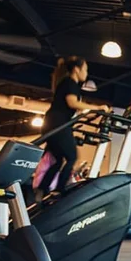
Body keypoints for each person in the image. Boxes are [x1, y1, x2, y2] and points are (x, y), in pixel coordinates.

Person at [35, 57, 109, 202]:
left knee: (58, 160)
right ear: (77, 69)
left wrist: (86, 112)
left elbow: (72, 106)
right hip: (58, 124)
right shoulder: (70, 82)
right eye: (85, 70)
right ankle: (59, 190)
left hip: (52, 123)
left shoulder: (67, 83)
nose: (86, 74)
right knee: (72, 157)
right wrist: (98, 107)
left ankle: (42, 189)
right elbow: (72, 102)